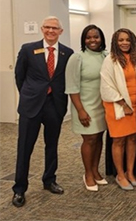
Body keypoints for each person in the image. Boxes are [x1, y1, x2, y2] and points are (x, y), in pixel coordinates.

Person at [12, 16, 73, 207]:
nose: (50, 31)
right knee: (24, 148)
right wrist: (30, 94)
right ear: (41, 29)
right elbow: (19, 76)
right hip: (31, 105)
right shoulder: (28, 49)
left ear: (60, 31)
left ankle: (49, 180)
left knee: (52, 145)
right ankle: (19, 189)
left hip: (54, 105)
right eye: (47, 27)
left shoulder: (67, 53)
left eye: (55, 28)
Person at [100, 28, 136, 191]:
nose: (124, 43)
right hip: (118, 106)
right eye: (121, 40)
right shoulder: (110, 60)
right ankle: (120, 175)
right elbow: (106, 87)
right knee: (119, 140)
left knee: (133, 139)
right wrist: (123, 104)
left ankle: (130, 172)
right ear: (115, 42)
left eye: (127, 40)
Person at [65, 25, 108, 192]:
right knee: (89, 140)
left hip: (102, 106)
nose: (92, 40)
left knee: (98, 138)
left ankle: (96, 171)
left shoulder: (106, 55)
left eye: (96, 37)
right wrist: (80, 110)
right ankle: (88, 174)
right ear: (83, 40)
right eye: (89, 37)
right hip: (84, 106)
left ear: (101, 39)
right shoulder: (77, 58)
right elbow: (71, 87)